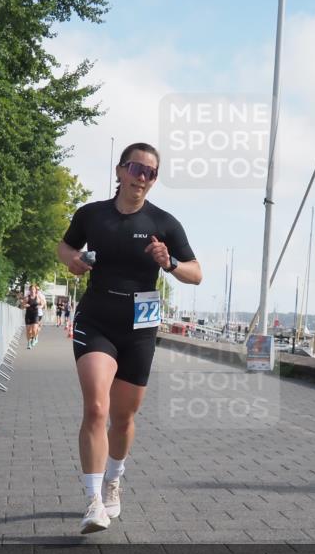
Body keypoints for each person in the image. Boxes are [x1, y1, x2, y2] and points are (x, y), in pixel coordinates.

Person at [57, 143, 202, 533]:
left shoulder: (164, 223)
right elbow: (65, 246)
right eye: (137, 169)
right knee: (96, 408)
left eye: (151, 173)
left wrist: (169, 263)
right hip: (97, 319)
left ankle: (113, 481)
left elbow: (196, 273)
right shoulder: (92, 214)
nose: (142, 177)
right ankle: (92, 502)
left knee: (123, 418)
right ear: (121, 171)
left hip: (141, 326)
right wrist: (72, 261)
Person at [23, 284, 40, 349]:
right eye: (31, 289)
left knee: (34, 330)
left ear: (35, 290)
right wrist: (25, 305)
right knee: (28, 330)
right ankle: (29, 343)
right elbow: (22, 305)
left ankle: (34, 338)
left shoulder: (38, 297)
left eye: (34, 289)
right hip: (28, 315)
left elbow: (42, 304)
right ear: (29, 290)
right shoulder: (27, 297)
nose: (32, 290)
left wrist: (40, 306)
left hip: (35, 315)